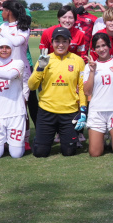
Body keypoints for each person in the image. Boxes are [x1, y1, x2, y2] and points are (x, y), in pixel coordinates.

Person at [27, 27, 88, 157]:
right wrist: (40, 69)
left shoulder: (78, 61)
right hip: (47, 111)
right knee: (40, 153)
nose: (60, 44)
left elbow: (82, 87)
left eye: (64, 41)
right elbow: (32, 86)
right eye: (57, 41)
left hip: (69, 112)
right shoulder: (44, 59)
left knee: (69, 152)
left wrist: (83, 109)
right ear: (52, 42)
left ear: (69, 42)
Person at [83, 33, 113, 157]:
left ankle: (111, 136)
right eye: (97, 46)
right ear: (94, 49)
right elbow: (87, 92)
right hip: (97, 111)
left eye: (104, 45)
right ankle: (102, 138)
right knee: (94, 153)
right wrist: (92, 72)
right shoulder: (89, 66)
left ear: (109, 46)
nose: (101, 49)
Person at [0, 37, 28, 159]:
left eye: (7, 47)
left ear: (12, 49)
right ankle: (4, 143)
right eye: (1, 47)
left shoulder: (18, 63)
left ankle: (14, 144)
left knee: (16, 154)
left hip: (16, 113)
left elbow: (9, 74)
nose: (4, 50)